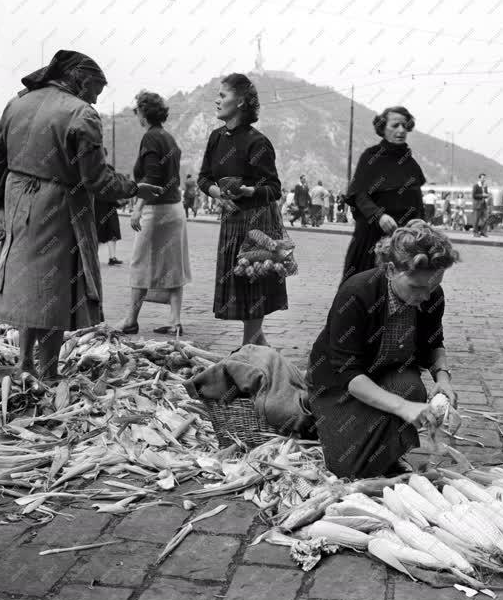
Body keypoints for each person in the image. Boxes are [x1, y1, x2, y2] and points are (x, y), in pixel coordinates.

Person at [0, 49, 162, 381]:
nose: (95, 99)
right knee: (53, 291)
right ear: (80, 80)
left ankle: (25, 362)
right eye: (96, 90)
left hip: (18, 201)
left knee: (28, 286)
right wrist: (136, 189)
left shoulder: (18, 103)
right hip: (56, 207)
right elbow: (96, 178)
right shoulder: (81, 114)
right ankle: (48, 371)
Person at [306, 221, 459, 478]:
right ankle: (318, 413)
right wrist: (403, 407)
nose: (424, 296)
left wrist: (443, 378)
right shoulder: (357, 292)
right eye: (416, 287)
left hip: (390, 375)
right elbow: (349, 375)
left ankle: (389, 451)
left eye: (431, 287)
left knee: (410, 388)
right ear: (390, 270)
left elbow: (434, 342)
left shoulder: (432, 295)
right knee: (347, 468)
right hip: (340, 384)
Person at [197, 73, 287, 346]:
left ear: (241, 102)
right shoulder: (216, 138)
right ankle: (259, 351)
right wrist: (217, 194)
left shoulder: (257, 142)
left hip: (258, 220)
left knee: (254, 283)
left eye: (223, 95)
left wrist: (248, 191)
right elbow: (203, 178)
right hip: (232, 216)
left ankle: (247, 348)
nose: (217, 100)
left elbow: (274, 189)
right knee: (242, 286)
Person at [117, 91, 191, 336]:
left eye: (136, 111)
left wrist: (137, 208)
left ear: (143, 113)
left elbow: (151, 178)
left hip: (156, 210)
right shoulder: (169, 138)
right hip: (175, 209)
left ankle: (130, 319)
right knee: (173, 264)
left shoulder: (150, 138)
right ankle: (174, 320)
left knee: (140, 262)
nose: (136, 115)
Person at [342, 106, 426, 282]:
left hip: (404, 239)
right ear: (383, 128)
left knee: (403, 289)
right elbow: (359, 195)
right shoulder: (370, 157)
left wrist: (420, 225)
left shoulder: (411, 164)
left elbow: (417, 202)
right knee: (365, 287)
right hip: (372, 236)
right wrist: (379, 216)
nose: (401, 130)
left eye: (404, 125)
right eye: (395, 125)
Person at [95, 147, 123, 265]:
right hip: (99, 204)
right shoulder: (94, 170)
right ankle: (94, 257)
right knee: (97, 232)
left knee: (112, 231)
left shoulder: (109, 169)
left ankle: (112, 257)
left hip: (107, 204)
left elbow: (114, 186)